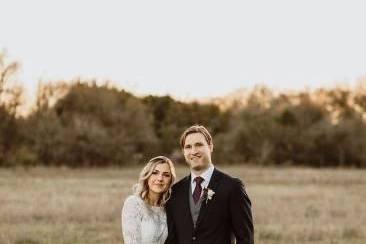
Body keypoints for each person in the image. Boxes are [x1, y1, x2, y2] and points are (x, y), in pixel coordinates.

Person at [165, 125, 254, 244]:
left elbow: (245, 238)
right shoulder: (175, 191)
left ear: (210, 146)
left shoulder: (232, 187)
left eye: (199, 145)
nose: (193, 151)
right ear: (184, 152)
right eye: (188, 147)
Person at [121, 156, 176, 244]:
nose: (160, 179)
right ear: (147, 176)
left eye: (166, 175)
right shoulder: (134, 203)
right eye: (155, 173)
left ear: (170, 181)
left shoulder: (168, 208)